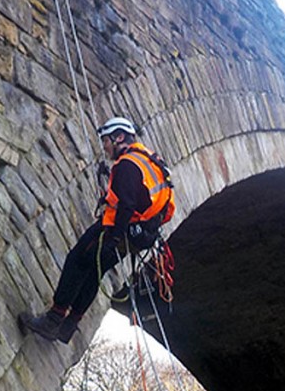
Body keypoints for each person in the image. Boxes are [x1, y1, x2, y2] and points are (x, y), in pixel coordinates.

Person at [19, 116, 175, 344]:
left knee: (76, 261)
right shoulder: (148, 161)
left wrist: (113, 237)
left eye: (106, 141)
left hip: (115, 231)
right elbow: (141, 196)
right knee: (94, 272)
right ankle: (69, 325)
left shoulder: (127, 165)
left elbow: (127, 204)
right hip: (139, 235)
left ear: (119, 137)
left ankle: (54, 319)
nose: (105, 147)